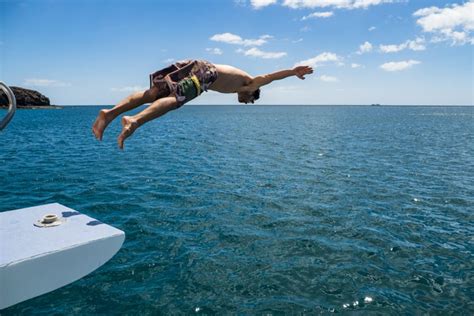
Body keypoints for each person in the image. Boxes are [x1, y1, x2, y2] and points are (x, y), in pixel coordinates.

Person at [92, 59, 313, 149]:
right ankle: (134, 121)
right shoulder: (249, 83)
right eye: (249, 100)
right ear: (253, 93)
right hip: (207, 72)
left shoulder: (237, 84)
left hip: (193, 64)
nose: (244, 101)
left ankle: (109, 114)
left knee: (152, 94)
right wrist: (292, 72)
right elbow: (270, 76)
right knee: (176, 100)